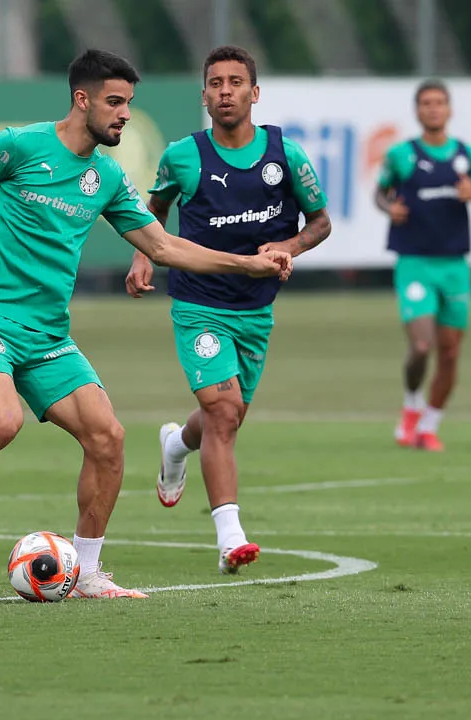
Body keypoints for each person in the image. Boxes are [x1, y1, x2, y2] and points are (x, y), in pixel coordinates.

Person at [0, 49, 292, 599]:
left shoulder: (106, 177)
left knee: (109, 438)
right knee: (3, 422)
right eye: (115, 102)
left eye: (129, 103)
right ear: (83, 100)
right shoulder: (18, 146)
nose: (125, 114)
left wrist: (246, 263)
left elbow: (164, 245)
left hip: (48, 334)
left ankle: (90, 571)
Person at [127, 45, 331, 574]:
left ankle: (176, 445)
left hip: (256, 310)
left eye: (235, 82)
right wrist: (142, 255)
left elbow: (320, 223)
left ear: (254, 93)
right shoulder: (183, 155)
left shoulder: (286, 156)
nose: (225, 92)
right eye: (215, 83)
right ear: (204, 95)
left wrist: (290, 247)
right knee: (222, 412)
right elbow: (155, 210)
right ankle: (229, 537)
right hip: (199, 304)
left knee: (228, 415)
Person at [375, 79, 471, 451]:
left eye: (439, 102)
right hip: (414, 264)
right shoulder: (402, 155)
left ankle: (429, 425)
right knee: (423, 344)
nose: (433, 109)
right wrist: (388, 207)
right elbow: (380, 192)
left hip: (454, 267)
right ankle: (411, 406)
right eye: (426, 103)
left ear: (449, 110)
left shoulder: (467, 156)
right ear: (417, 110)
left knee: (450, 352)